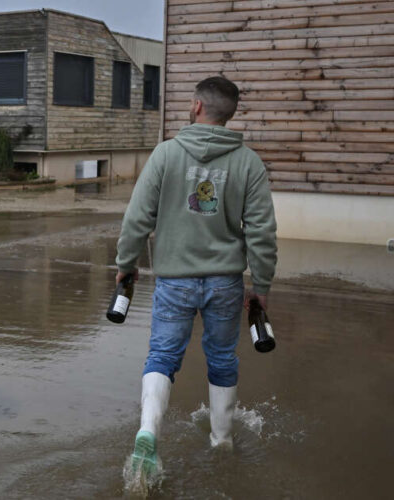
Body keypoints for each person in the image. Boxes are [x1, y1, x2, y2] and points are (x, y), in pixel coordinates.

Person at [115, 76, 277, 474]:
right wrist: (262, 285)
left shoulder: (166, 154)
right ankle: (221, 441)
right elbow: (262, 230)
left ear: (197, 106)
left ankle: (148, 434)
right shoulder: (248, 162)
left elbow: (137, 218)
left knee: (163, 356)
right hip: (225, 281)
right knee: (222, 358)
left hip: (174, 280)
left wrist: (125, 264)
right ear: (230, 112)